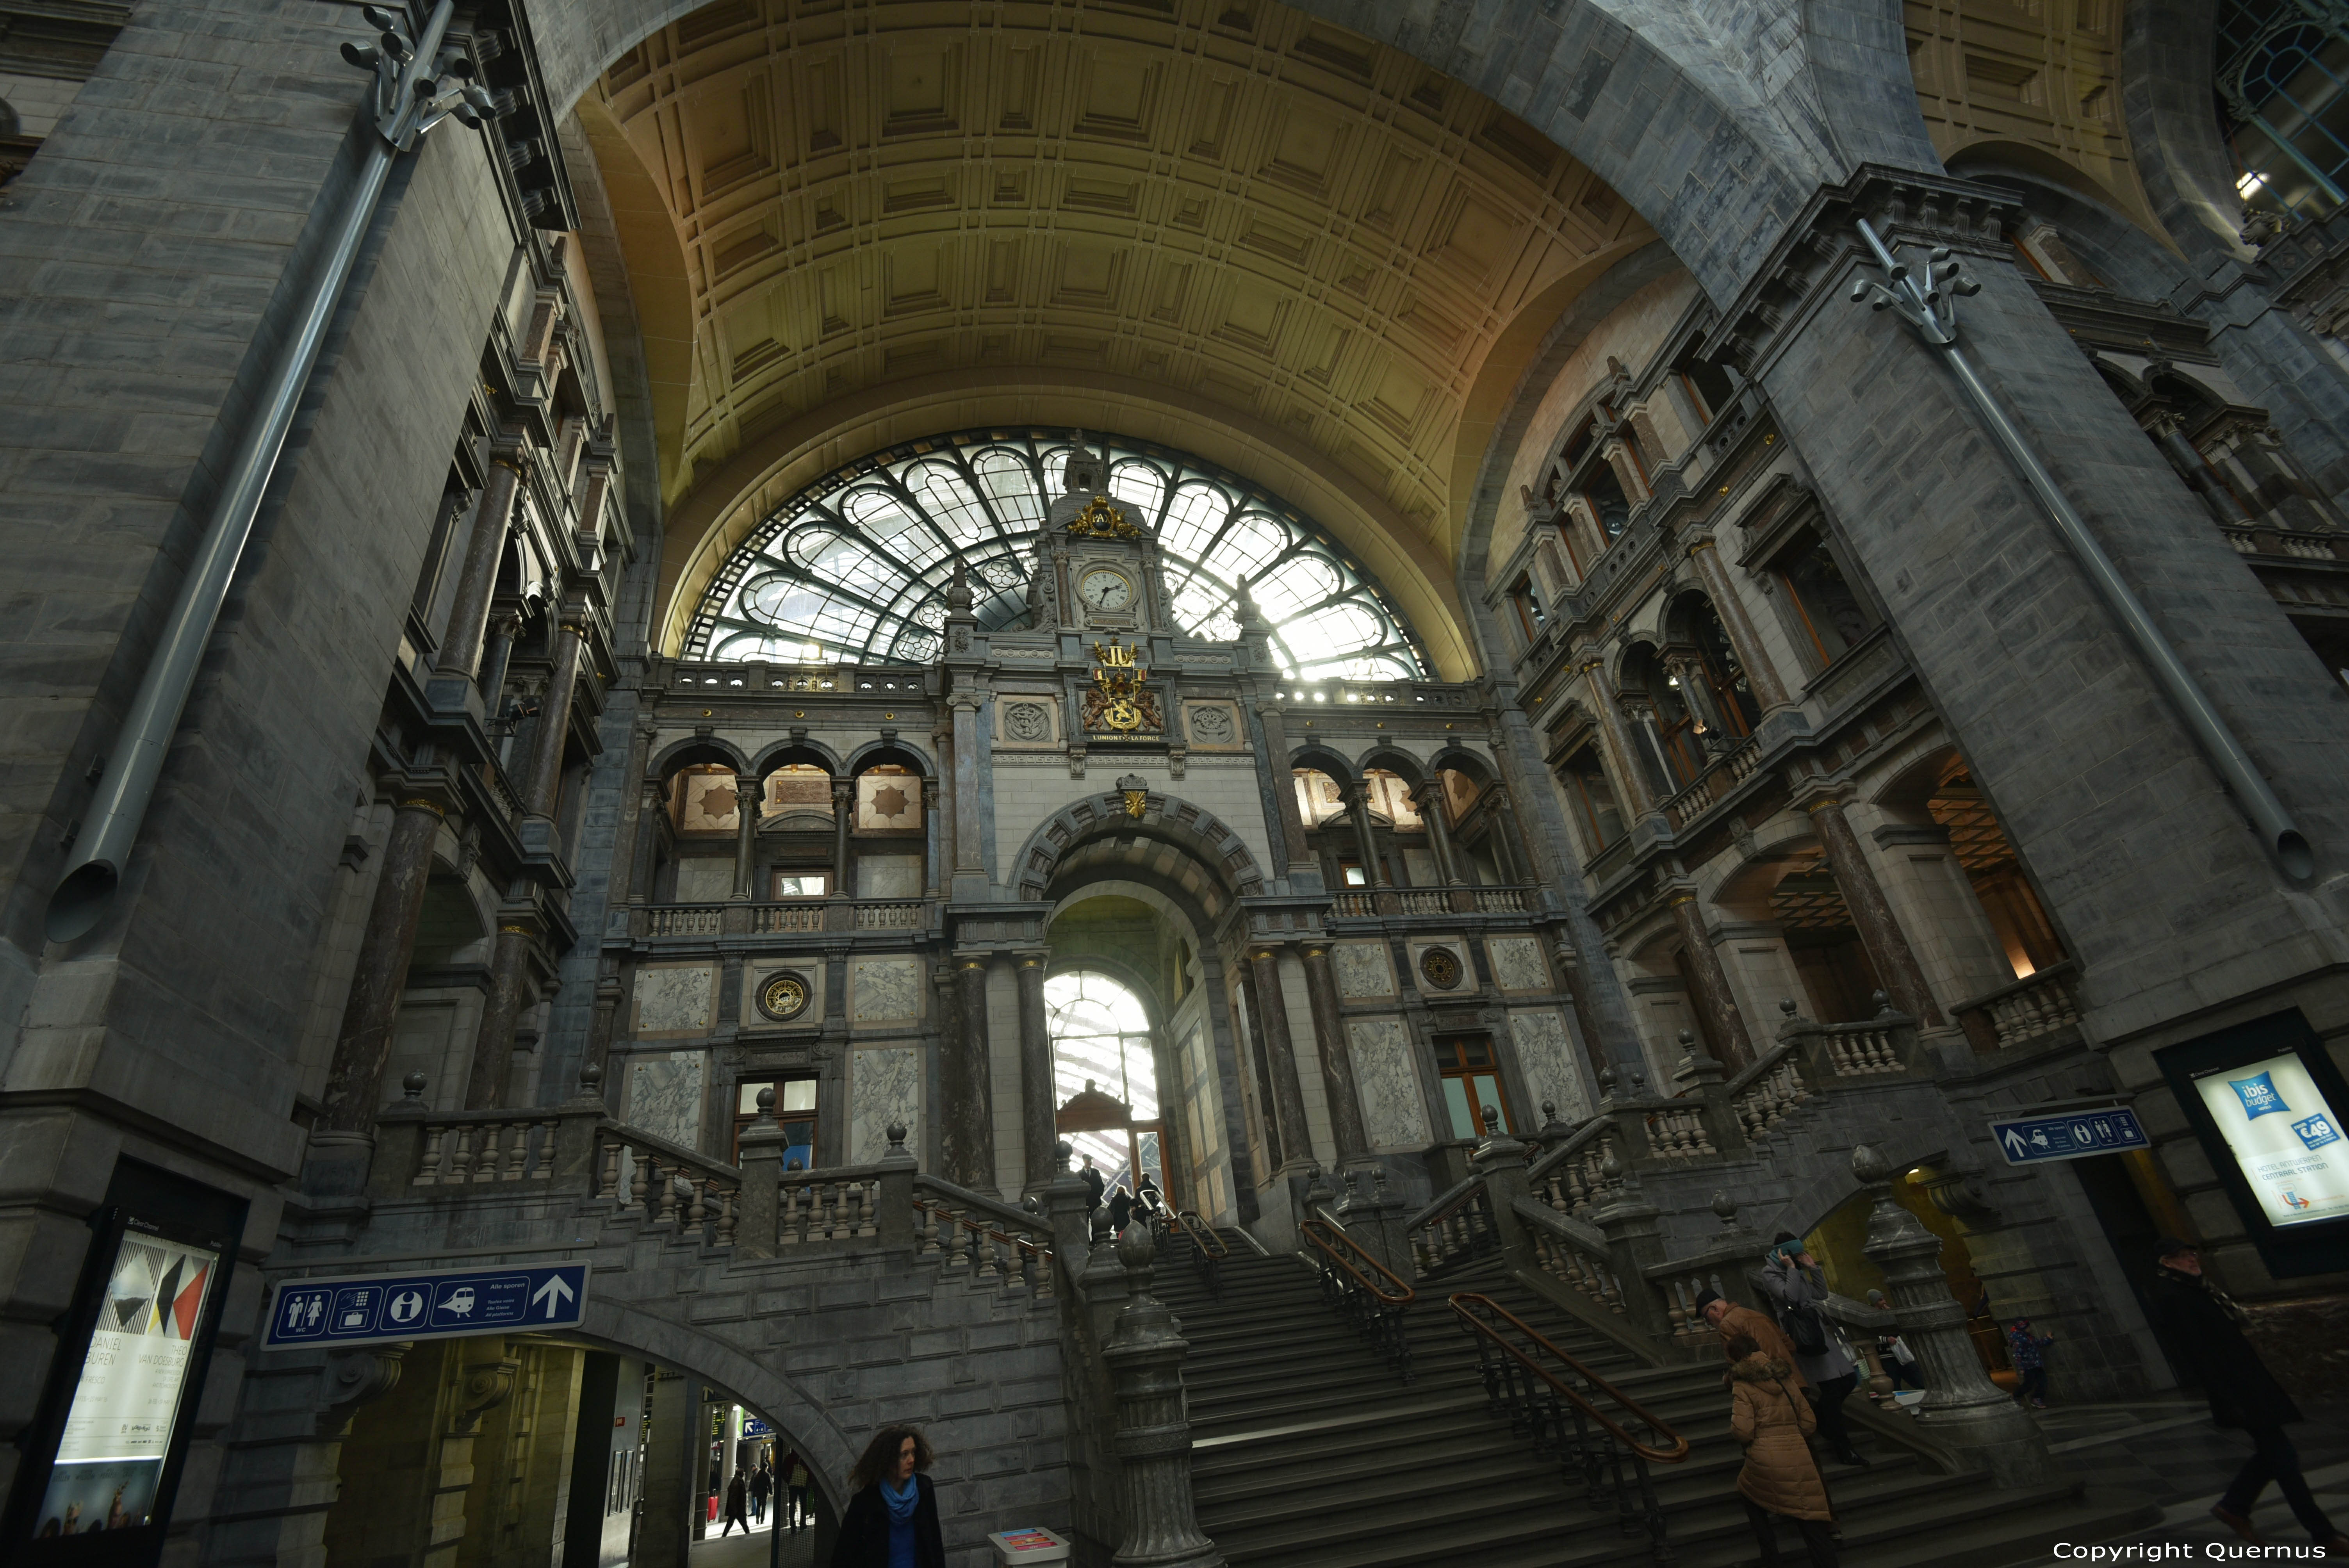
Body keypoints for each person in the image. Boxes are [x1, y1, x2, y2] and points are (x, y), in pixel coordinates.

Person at [2145, 1237, 2349, 1551]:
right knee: (2283, 1458)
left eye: (2191, 1254)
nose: (2190, 1260)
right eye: (2182, 1257)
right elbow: (2198, 1354)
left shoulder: (2200, 1288)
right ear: (2167, 1263)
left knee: (2276, 1455)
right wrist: (2229, 1399)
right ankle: (2322, 1533)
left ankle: (2235, 1507)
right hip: (2238, 1389)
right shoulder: (2173, 1296)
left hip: (2249, 1382)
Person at [1728, 1331, 1839, 1568]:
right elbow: (1809, 1422)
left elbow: (1743, 1430)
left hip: (1765, 1454)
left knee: (1748, 1493)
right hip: (1799, 1453)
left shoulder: (1742, 1383)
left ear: (1737, 1357)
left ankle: (1771, 1558)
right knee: (1810, 1518)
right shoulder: (1784, 1377)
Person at [1757, 1235, 1870, 1468]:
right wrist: (1791, 1270)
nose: (1800, 1259)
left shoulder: (1798, 1269)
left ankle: (1820, 1420)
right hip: (1802, 1333)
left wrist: (1813, 1268)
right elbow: (1791, 1298)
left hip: (1819, 1331)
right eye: (1796, 1255)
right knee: (1830, 1388)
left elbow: (1820, 1295)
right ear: (1784, 1254)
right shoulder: (1770, 1273)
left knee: (1848, 1379)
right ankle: (1843, 1446)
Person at [831, 1424, 946, 1568]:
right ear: (888, 1459)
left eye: (913, 1453)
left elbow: (935, 1546)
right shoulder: (866, 1502)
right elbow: (844, 1557)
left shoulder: (924, 1489)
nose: (911, 1460)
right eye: (904, 1455)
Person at [2007, 1318, 2054, 1408]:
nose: (2030, 1329)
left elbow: (2038, 1343)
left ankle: (2037, 1398)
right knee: (2029, 1384)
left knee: (2043, 1382)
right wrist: (2021, 1367)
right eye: (2028, 1327)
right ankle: (2015, 1396)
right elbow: (2017, 1354)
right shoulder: (2019, 1339)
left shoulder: (2029, 1337)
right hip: (2028, 1366)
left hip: (2036, 1364)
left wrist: (2049, 1339)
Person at [720, 1468, 750, 1537]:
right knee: (743, 1523)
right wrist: (735, 1509)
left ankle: (724, 1535)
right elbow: (734, 1497)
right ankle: (748, 1534)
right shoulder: (738, 1482)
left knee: (731, 1523)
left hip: (736, 1508)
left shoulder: (736, 1481)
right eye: (743, 1473)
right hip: (738, 1508)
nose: (744, 1474)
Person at [788, 1450, 811, 1532]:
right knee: (803, 1504)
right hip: (803, 1484)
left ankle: (792, 1525)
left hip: (793, 1485)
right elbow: (809, 1470)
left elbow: (783, 1471)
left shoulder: (790, 1458)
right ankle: (803, 1523)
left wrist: (789, 1481)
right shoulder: (805, 1457)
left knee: (792, 1505)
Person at [1080, 1155, 1106, 1228]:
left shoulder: (1096, 1172)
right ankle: (1086, 1239)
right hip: (1085, 1202)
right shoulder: (1079, 1174)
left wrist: (1099, 1194)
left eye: (1091, 1161)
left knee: (1097, 1222)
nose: (1090, 1162)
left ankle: (1096, 1238)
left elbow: (1101, 1185)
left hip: (1096, 1202)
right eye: (1088, 1161)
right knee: (1085, 1223)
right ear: (1084, 1161)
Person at [749, 1460, 771, 1524]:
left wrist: (754, 1493)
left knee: (759, 1505)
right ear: (766, 1467)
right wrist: (771, 1491)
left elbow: (755, 1485)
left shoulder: (758, 1475)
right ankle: (762, 1520)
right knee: (764, 1507)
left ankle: (757, 1518)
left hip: (758, 1493)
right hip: (765, 1492)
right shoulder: (767, 1475)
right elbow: (769, 1484)